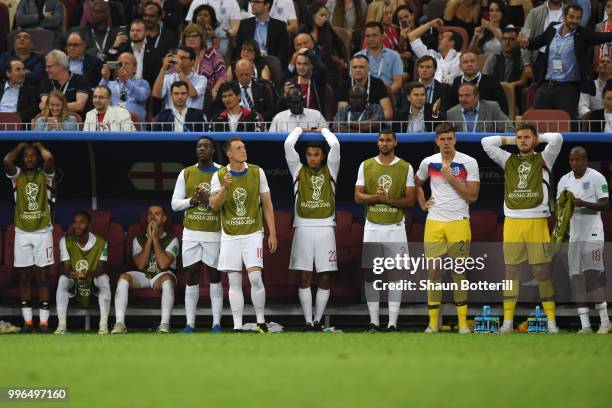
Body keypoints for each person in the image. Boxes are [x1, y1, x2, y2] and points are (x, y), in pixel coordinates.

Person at [481, 124, 563, 333]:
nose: (523, 141)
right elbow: (486, 142)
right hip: (513, 222)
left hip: (537, 222)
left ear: (534, 140)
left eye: (527, 137)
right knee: (511, 273)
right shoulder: (508, 160)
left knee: (542, 272)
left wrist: (538, 137)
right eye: (519, 138)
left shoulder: (545, 158)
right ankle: (507, 323)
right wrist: (510, 140)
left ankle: (552, 323)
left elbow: (558, 138)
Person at [415, 123, 480, 333]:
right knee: (433, 273)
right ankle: (433, 324)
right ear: (437, 141)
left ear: (455, 139)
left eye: (449, 139)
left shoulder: (468, 162)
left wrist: (451, 179)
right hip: (434, 223)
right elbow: (417, 183)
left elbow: (472, 196)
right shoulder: (428, 162)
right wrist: (422, 202)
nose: (446, 143)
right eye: (442, 139)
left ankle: (462, 324)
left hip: (459, 223)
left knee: (458, 273)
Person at [209, 138, 278, 332]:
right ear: (229, 153)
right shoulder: (220, 175)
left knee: (255, 278)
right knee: (234, 281)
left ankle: (261, 321)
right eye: (238, 148)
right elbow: (214, 205)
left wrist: (272, 232)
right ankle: (237, 326)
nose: (243, 150)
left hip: (253, 232)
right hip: (230, 235)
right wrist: (224, 188)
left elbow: (267, 204)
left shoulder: (257, 171)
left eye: (244, 147)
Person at [355, 129, 416, 332]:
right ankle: (374, 322)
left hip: (395, 227)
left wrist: (390, 200)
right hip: (372, 227)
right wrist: (377, 198)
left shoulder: (405, 167)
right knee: (371, 274)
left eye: (388, 140)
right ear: (377, 142)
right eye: (381, 140)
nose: (384, 143)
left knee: (395, 275)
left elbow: (410, 199)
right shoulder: (366, 165)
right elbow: (358, 196)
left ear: (395, 142)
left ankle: (392, 323)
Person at [285, 126, 339, 330]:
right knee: (305, 275)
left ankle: (318, 319)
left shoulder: (331, 169)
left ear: (323, 156)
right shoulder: (298, 171)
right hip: (303, 228)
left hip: (326, 228)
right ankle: (308, 321)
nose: (312, 158)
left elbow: (335, 144)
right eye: (309, 154)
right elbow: (288, 144)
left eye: (316, 154)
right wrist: (299, 129)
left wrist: (324, 130)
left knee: (326, 275)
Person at [519, 4, 612, 120]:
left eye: (578, 18)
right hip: (546, 84)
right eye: (572, 17)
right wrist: (526, 42)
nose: (575, 21)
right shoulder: (552, 28)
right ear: (564, 17)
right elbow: (535, 43)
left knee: (566, 123)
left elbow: (604, 37)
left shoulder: (582, 34)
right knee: (538, 121)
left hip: (568, 88)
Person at [172, 137, 223, 333]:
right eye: (199, 146)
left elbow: (225, 203)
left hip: (213, 232)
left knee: (214, 276)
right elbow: (175, 204)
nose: (202, 149)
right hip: (191, 232)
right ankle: (190, 324)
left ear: (212, 151)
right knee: (191, 275)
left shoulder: (222, 172)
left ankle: (216, 323)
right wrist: (192, 201)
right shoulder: (186, 173)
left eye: (206, 146)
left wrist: (208, 199)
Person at [556, 147, 610, 334]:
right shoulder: (564, 180)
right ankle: (585, 325)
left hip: (593, 234)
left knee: (590, 275)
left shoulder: (596, 177)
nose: (574, 163)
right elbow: (559, 209)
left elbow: (605, 204)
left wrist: (583, 203)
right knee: (576, 278)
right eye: (571, 160)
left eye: (578, 159)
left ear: (586, 160)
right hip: (574, 235)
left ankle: (604, 323)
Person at [3, 142, 56, 333]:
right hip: (22, 232)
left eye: (33, 155)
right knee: (24, 276)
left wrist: (39, 144)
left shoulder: (46, 175)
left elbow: (49, 158)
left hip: (43, 231)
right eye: (26, 155)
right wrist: (21, 146)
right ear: (22, 159)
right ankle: (27, 322)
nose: (30, 158)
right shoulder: (17, 176)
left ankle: (43, 322)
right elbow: (7, 160)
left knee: (43, 277)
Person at [112, 205, 179, 334]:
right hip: (144, 275)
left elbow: (164, 264)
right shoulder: (138, 239)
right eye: (150, 214)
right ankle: (120, 323)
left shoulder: (172, 239)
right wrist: (149, 240)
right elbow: (141, 265)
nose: (152, 217)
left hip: (162, 275)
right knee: (123, 277)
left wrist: (155, 239)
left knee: (167, 280)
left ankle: (164, 324)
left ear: (164, 218)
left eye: (157, 214)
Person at [55, 211, 111, 334]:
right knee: (62, 280)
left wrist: (88, 274)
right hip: (74, 279)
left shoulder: (102, 242)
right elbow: (65, 267)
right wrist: (70, 273)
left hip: (93, 278)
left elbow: (102, 269)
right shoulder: (65, 241)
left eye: (82, 222)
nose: (77, 226)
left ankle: (103, 324)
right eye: (75, 222)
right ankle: (62, 325)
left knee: (104, 279)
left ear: (89, 225)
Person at [235, 0, 290, 69]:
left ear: (267, 5)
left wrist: (273, 67)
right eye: (252, 1)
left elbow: (283, 53)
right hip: (248, 64)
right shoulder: (244, 24)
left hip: (270, 65)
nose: (252, 4)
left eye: (257, 2)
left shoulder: (280, 26)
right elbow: (238, 49)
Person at [106, 19, 161, 88]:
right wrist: (115, 46)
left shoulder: (154, 52)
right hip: (123, 89)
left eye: (138, 30)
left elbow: (156, 75)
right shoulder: (122, 50)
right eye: (132, 30)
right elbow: (110, 67)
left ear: (146, 32)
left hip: (145, 90)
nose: (135, 33)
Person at [337, 54, 393, 120]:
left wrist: (369, 123)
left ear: (368, 69)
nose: (358, 70)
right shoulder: (345, 85)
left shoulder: (378, 83)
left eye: (361, 67)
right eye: (355, 67)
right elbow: (342, 113)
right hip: (351, 125)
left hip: (373, 125)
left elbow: (388, 112)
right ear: (351, 69)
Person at [408, 18, 462, 85]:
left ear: (452, 43)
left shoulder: (461, 58)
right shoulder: (430, 56)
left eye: (443, 37)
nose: (439, 38)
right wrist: (430, 24)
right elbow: (412, 36)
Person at [100, 52, 151, 122]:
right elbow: (99, 98)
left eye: (127, 64)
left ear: (135, 68)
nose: (123, 67)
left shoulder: (142, 83)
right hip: (112, 126)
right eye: (120, 64)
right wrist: (104, 79)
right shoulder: (108, 84)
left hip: (135, 128)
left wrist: (126, 81)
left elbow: (142, 96)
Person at [152, 46, 207, 111]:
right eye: (177, 57)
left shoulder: (201, 79)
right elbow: (156, 95)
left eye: (183, 58)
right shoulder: (168, 78)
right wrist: (163, 69)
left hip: (193, 118)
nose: (179, 60)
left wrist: (179, 70)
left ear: (192, 62)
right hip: (172, 118)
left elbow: (192, 94)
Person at [355, 21, 403, 94]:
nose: (371, 39)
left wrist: (384, 94)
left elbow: (398, 82)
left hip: (387, 94)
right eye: (368, 36)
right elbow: (354, 81)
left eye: (374, 35)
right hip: (364, 95)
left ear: (382, 36)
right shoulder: (357, 57)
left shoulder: (394, 55)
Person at [182, 23, 226, 100]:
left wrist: (212, 93)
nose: (191, 39)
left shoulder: (212, 52)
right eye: (188, 36)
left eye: (195, 36)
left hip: (208, 97)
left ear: (201, 38)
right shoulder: (180, 54)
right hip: (184, 96)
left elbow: (222, 77)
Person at [446, 83, 514, 133]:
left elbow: (509, 128)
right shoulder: (451, 113)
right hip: (461, 149)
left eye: (467, 95)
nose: (463, 99)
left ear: (477, 96)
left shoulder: (492, 108)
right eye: (461, 96)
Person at [39, 50, 90, 115]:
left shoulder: (80, 80)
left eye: (49, 67)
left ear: (61, 66)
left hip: (74, 123)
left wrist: (54, 107)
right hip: (51, 122)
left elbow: (79, 106)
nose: (46, 70)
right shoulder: (46, 82)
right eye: (46, 67)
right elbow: (44, 105)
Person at [300, 2, 347, 71]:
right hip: (309, 67)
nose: (325, 19)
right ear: (312, 15)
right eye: (322, 15)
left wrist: (343, 60)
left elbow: (340, 44)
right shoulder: (303, 30)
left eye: (326, 16)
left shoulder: (327, 27)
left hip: (328, 66)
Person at [482, 26, 530, 90]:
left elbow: (524, 81)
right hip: (493, 91)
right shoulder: (493, 57)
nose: (507, 42)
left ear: (518, 41)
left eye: (512, 39)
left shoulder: (523, 58)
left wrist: (507, 86)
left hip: (514, 91)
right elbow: (485, 78)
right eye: (504, 39)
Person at [0, 59, 40, 124]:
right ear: (8, 73)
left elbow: (33, 111)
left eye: (23, 69)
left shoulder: (31, 90)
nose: (22, 73)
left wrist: (11, 117)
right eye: (18, 69)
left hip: (17, 126)